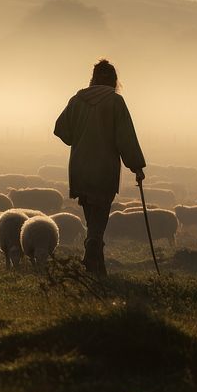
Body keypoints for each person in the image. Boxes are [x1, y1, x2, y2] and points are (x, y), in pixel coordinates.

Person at [53, 59, 146, 276]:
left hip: (80, 169)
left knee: (91, 216)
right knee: (100, 217)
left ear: (93, 78)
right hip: (104, 171)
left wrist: (78, 138)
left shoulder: (77, 100)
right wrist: (136, 166)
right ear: (114, 80)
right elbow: (126, 138)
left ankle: (96, 266)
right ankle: (93, 247)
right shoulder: (115, 102)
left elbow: (60, 129)